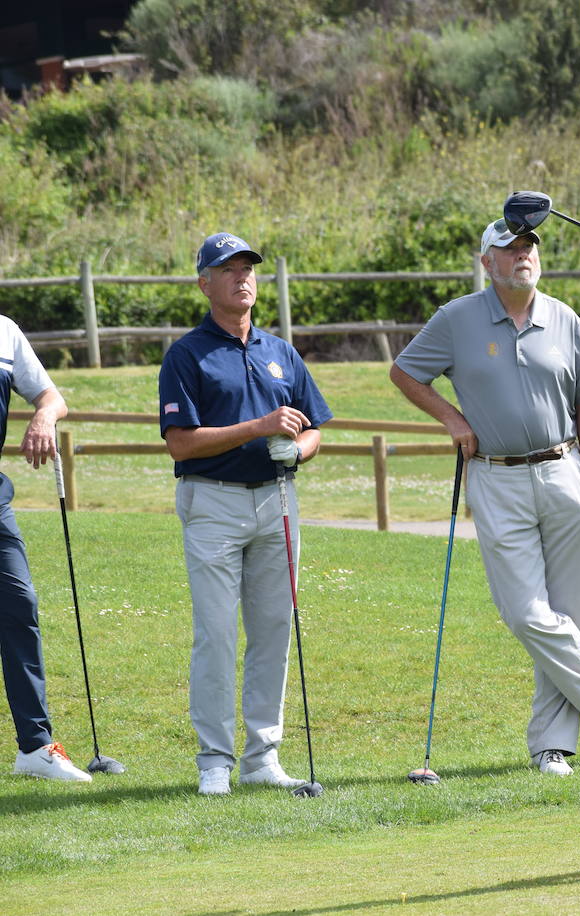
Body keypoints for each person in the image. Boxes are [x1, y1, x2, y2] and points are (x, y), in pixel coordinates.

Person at [389, 218, 580, 778]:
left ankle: (553, 746)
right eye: (509, 249)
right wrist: (451, 418)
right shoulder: (458, 319)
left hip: (564, 471)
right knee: (525, 611)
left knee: (571, 614)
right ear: (487, 263)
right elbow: (405, 373)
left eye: (528, 247)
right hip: (496, 477)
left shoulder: (564, 319)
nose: (522, 255)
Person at [159, 232, 333, 795]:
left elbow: (316, 431)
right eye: (228, 269)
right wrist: (258, 428)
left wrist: (296, 449)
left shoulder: (281, 352)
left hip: (277, 500)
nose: (242, 278)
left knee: (274, 630)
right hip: (212, 502)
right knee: (216, 633)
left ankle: (262, 757)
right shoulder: (187, 354)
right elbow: (181, 444)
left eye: (248, 269)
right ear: (204, 282)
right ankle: (214, 760)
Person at [0, 317, 92, 783]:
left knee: (20, 607)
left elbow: (53, 397)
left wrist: (43, 415)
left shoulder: (4, 331)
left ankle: (35, 747)